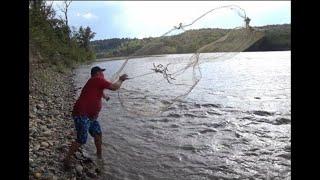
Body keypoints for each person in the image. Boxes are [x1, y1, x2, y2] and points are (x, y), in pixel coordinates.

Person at [63, 66, 128, 168]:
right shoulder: (97, 79)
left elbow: (99, 90)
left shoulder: (94, 82)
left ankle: (99, 157)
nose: (103, 74)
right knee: (81, 139)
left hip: (91, 117)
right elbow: (114, 87)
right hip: (81, 114)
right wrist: (121, 79)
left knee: (98, 134)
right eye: (102, 72)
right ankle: (66, 159)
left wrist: (105, 97)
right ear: (97, 73)